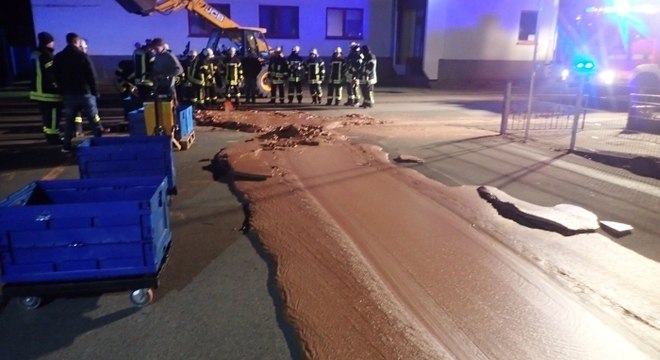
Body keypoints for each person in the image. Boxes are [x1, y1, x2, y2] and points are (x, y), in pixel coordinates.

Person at [54, 32, 103, 152]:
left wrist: (62, 91)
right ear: (77, 42)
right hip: (85, 93)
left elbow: (56, 76)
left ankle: (66, 145)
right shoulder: (83, 56)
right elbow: (91, 76)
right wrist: (95, 92)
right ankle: (100, 142)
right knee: (93, 118)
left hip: (69, 94)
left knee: (69, 121)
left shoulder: (59, 57)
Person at [29, 31, 63, 145]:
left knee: (45, 116)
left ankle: (49, 136)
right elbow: (51, 74)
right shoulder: (47, 55)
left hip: (37, 92)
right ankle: (54, 138)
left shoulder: (35, 53)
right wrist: (57, 87)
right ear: (49, 42)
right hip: (49, 93)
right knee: (53, 116)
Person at [344, 42, 363, 106]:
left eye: (352, 48)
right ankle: (350, 101)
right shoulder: (351, 54)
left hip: (356, 74)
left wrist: (354, 72)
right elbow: (348, 63)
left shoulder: (359, 55)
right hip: (350, 73)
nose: (351, 49)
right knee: (349, 87)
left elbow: (359, 66)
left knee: (355, 87)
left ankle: (357, 101)